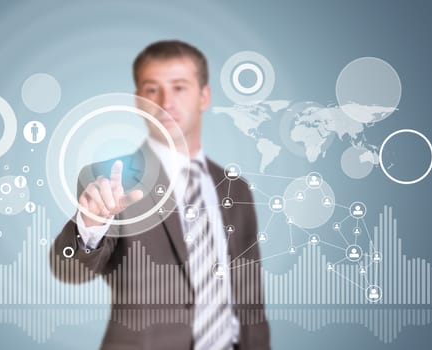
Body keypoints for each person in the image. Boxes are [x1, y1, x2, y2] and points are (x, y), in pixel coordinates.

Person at [50, 40, 270, 350]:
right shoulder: (108, 180)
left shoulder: (236, 189)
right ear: (139, 99)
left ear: (203, 96)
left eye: (179, 87)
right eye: (152, 89)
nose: (166, 101)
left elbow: (250, 301)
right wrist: (90, 223)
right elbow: (69, 272)